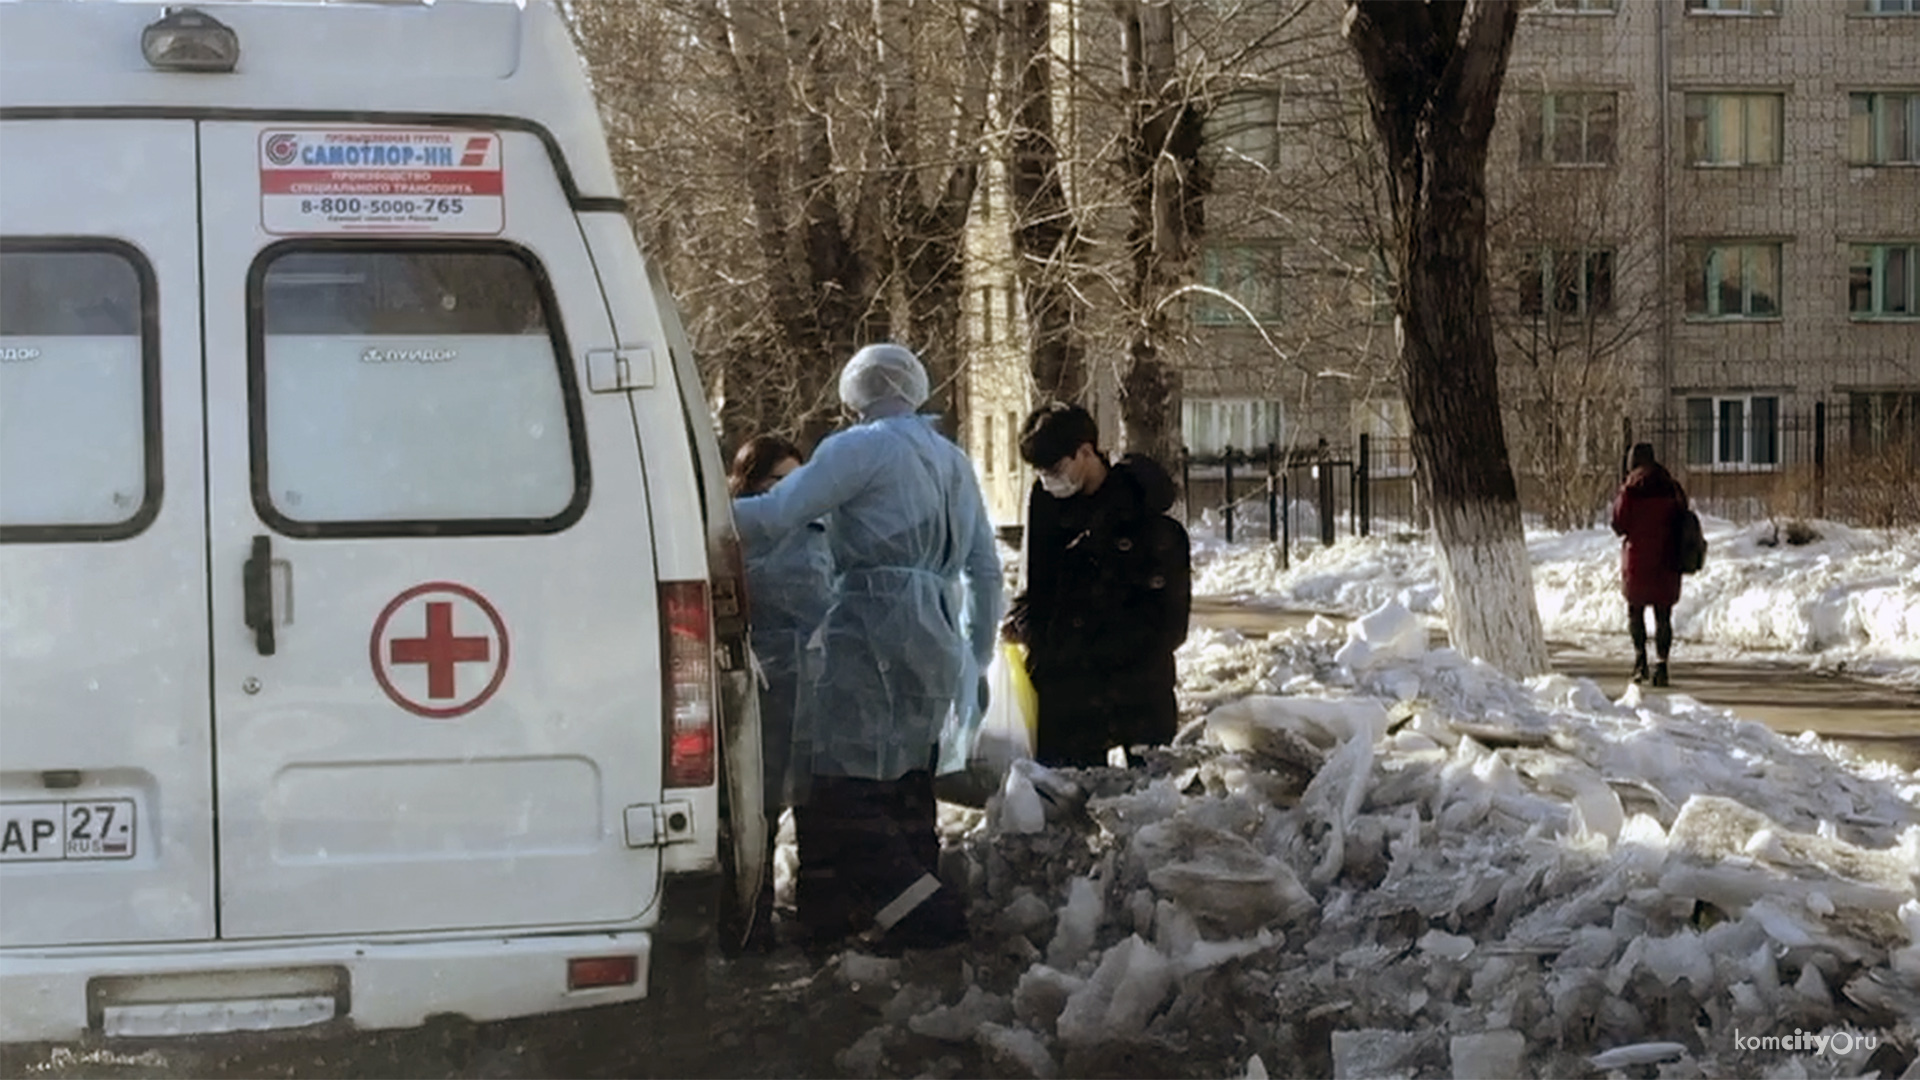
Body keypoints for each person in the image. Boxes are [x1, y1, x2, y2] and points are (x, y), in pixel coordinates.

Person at [731, 343, 1002, 953]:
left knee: (840, 789)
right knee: (909, 780)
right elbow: (986, 571)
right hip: (938, 633)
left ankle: (927, 916)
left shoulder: (857, 448)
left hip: (874, 628)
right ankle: (908, 919)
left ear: (855, 393)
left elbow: (777, 514)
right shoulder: (952, 459)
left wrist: (701, 517)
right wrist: (974, 659)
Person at [1003, 402, 1191, 768]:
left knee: (1147, 800)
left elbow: (1168, 619)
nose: (1048, 479)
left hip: (1136, 685)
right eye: (1040, 471)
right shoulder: (1045, 504)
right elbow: (1036, 584)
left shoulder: (1144, 515)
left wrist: (1110, 649)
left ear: (1086, 452)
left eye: (1056, 468)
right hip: (1065, 688)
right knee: (1063, 798)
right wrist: (1023, 623)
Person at [727, 434, 833, 950]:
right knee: (758, 803)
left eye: (800, 483)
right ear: (752, 483)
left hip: (814, 676)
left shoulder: (818, 529)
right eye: (779, 484)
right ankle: (754, 918)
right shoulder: (733, 528)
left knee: (817, 802)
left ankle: (818, 916)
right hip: (758, 678)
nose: (792, 495)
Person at [1610, 442, 1689, 687]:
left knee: (1636, 611)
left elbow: (1619, 524)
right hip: (1667, 559)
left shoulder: (1630, 490)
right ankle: (1662, 665)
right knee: (1663, 615)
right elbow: (1683, 516)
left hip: (1638, 560)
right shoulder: (1671, 486)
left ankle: (1640, 661)